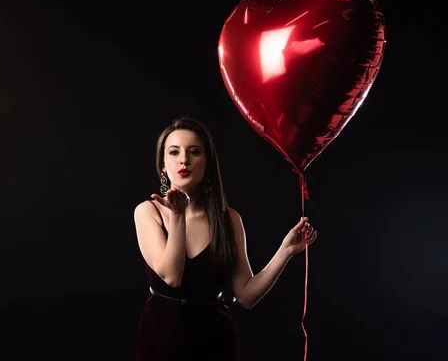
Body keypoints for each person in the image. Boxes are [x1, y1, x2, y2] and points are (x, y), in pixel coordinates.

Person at [134, 117, 317, 361]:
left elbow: (246, 295)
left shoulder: (229, 219)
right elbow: (172, 277)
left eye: (194, 152)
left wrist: (285, 251)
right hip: (162, 339)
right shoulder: (147, 211)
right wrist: (178, 215)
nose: (184, 160)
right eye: (174, 152)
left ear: (207, 162)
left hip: (215, 341)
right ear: (163, 165)